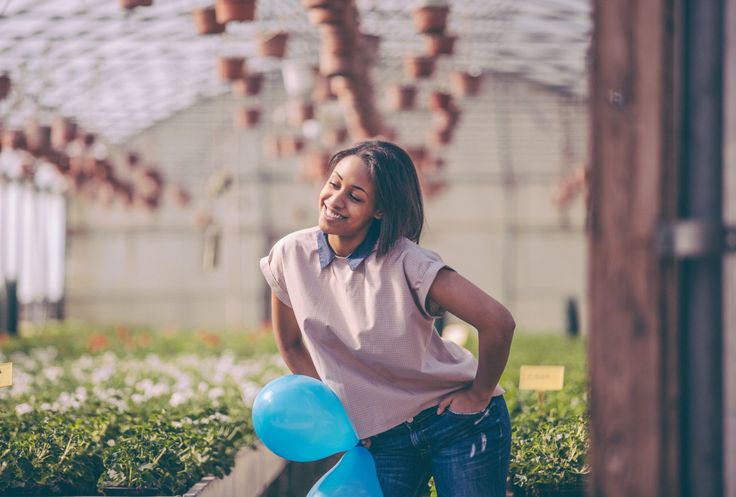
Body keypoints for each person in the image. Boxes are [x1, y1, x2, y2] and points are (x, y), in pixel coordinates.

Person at [259, 140, 515, 497]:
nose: (335, 200)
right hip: (382, 439)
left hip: (456, 425)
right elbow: (289, 344)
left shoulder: (408, 262)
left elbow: (497, 322)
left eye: (355, 196)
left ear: (379, 210)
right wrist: (345, 415)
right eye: (334, 184)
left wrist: (478, 394)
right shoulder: (290, 255)